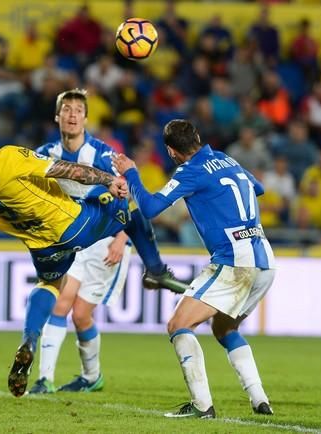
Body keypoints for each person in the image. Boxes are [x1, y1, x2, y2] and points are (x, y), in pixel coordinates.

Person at [0, 58, 186, 397]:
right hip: (73, 225)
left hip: (38, 243)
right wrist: (110, 181)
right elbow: (68, 171)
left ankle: (29, 340)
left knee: (49, 283)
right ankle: (156, 270)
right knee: (130, 209)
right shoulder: (10, 158)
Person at [112, 119, 276, 418]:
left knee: (178, 324)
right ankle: (260, 399)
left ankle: (202, 406)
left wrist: (131, 172)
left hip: (234, 261)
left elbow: (148, 209)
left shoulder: (190, 171)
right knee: (225, 328)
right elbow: (259, 188)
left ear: (172, 152)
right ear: (198, 138)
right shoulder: (226, 157)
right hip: (265, 260)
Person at [29, 89, 132, 394]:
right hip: (71, 241)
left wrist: (122, 236)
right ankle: (44, 379)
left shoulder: (102, 154)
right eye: (67, 109)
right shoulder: (45, 155)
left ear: (86, 118)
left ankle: (92, 376)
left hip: (105, 240)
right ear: (57, 116)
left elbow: (130, 193)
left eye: (78, 110)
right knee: (61, 303)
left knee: (81, 314)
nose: (72, 115)